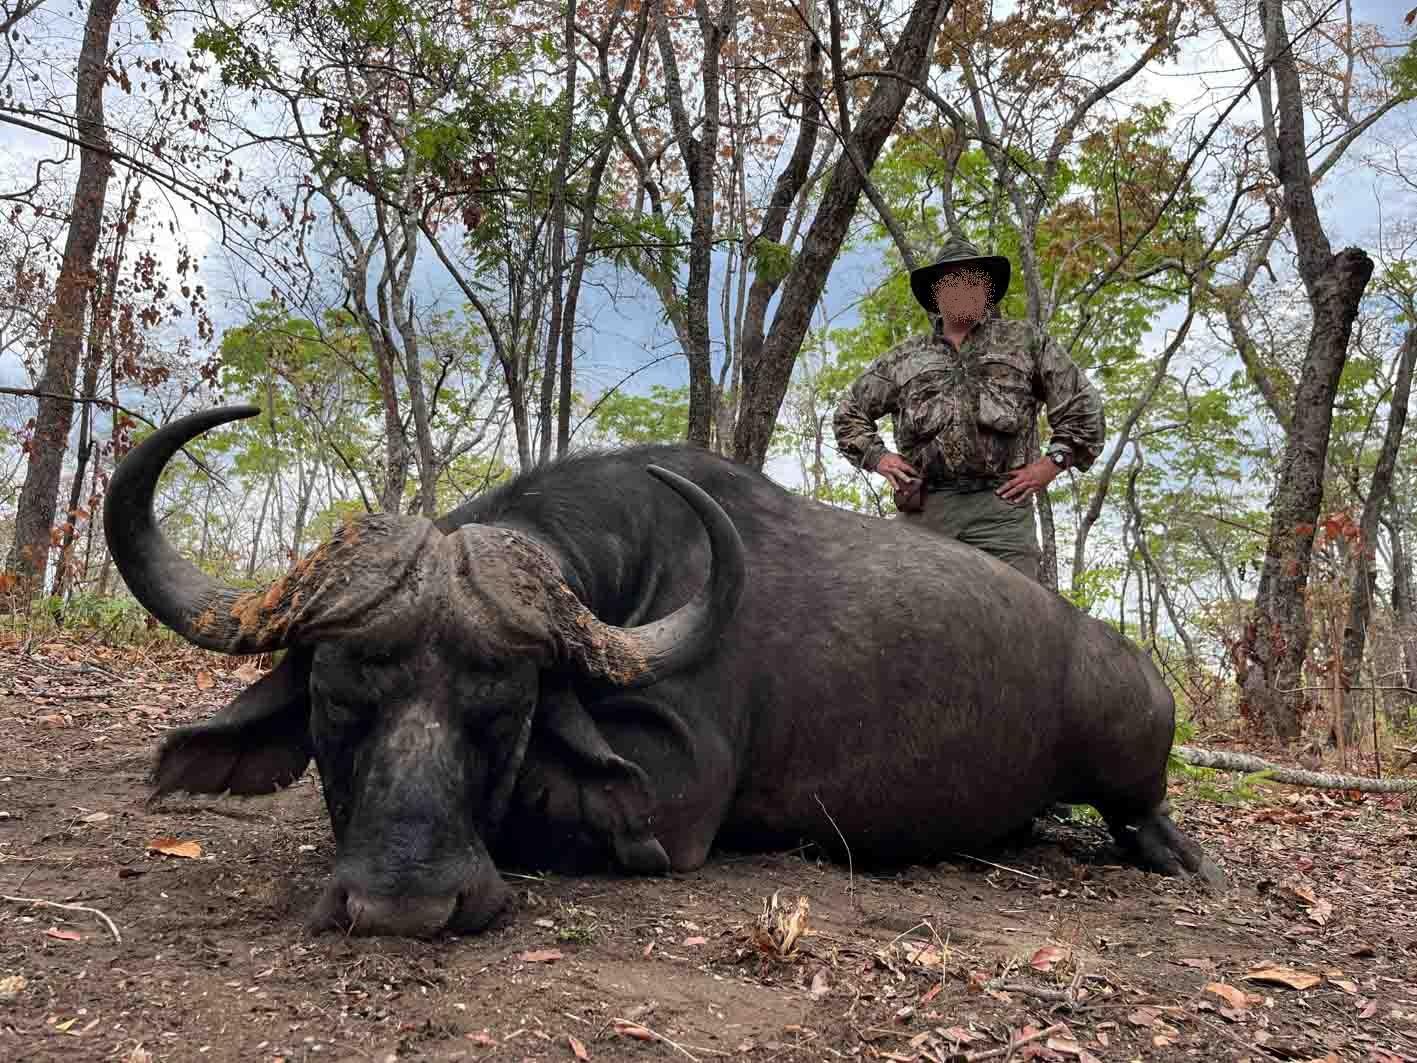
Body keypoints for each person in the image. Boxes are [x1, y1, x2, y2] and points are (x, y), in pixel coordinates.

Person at [833, 238, 1105, 581]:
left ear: (987, 291)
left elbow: (1084, 408)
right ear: (937, 294)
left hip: (1001, 510)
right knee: (906, 611)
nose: (965, 289)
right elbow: (848, 414)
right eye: (954, 282)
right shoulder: (904, 358)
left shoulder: (1026, 343)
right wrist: (878, 457)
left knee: (1016, 615)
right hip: (927, 511)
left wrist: (1053, 463)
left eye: (975, 281)